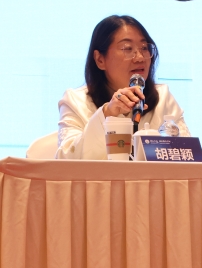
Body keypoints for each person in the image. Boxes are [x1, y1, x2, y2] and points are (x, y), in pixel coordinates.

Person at [56, 15, 189, 160]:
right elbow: (65, 159)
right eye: (127, 48)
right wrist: (106, 114)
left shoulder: (163, 97)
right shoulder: (75, 101)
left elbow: (189, 157)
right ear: (100, 59)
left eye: (144, 48)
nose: (140, 57)